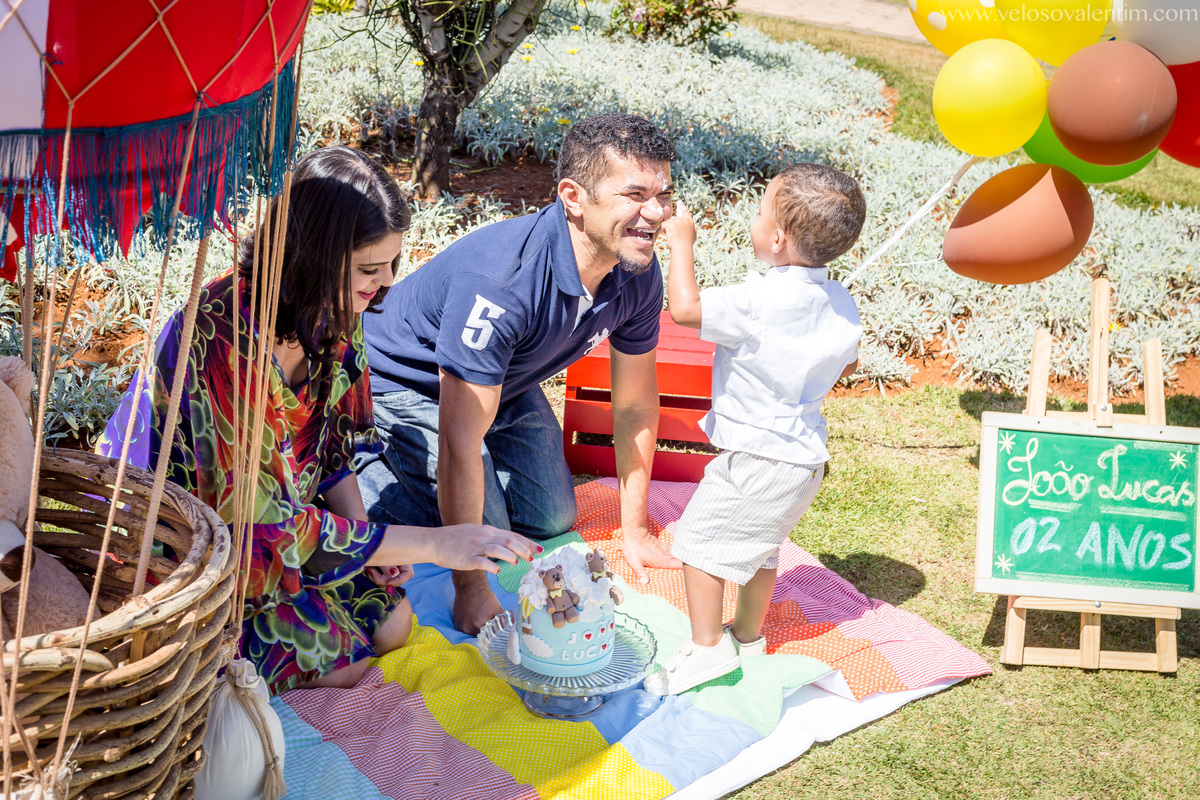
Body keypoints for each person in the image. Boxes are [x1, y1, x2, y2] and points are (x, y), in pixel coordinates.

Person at [98, 147, 536, 694]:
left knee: (395, 624)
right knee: (345, 661)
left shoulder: (339, 309)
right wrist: (431, 545)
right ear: (313, 256)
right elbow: (256, 527)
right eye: (369, 268)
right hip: (192, 551)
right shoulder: (220, 338)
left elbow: (333, 451)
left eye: (392, 266)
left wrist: (365, 549)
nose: (382, 285)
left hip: (283, 533)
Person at [357, 113, 683, 636]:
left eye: (664, 193)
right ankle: (362, 470)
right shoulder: (501, 285)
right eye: (635, 194)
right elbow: (460, 439)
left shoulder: (635, 269)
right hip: (405, 381)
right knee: (493, 535)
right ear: (573, 197)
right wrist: (472, 590)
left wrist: (636, 530)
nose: (656, 213)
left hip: (504, 383)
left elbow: (635, 404)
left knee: (552, 519)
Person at [644, 163, 865, 695]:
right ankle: (746, 634)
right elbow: (849, 366)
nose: (756, 217)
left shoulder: (759, 301)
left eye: (761, 209)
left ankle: (706, 648)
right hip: (804, 459)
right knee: (762, 547)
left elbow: (686, 309)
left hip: (758, 458)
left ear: (778, 238)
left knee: (697, 546)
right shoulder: (841, 301)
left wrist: (682, 242)